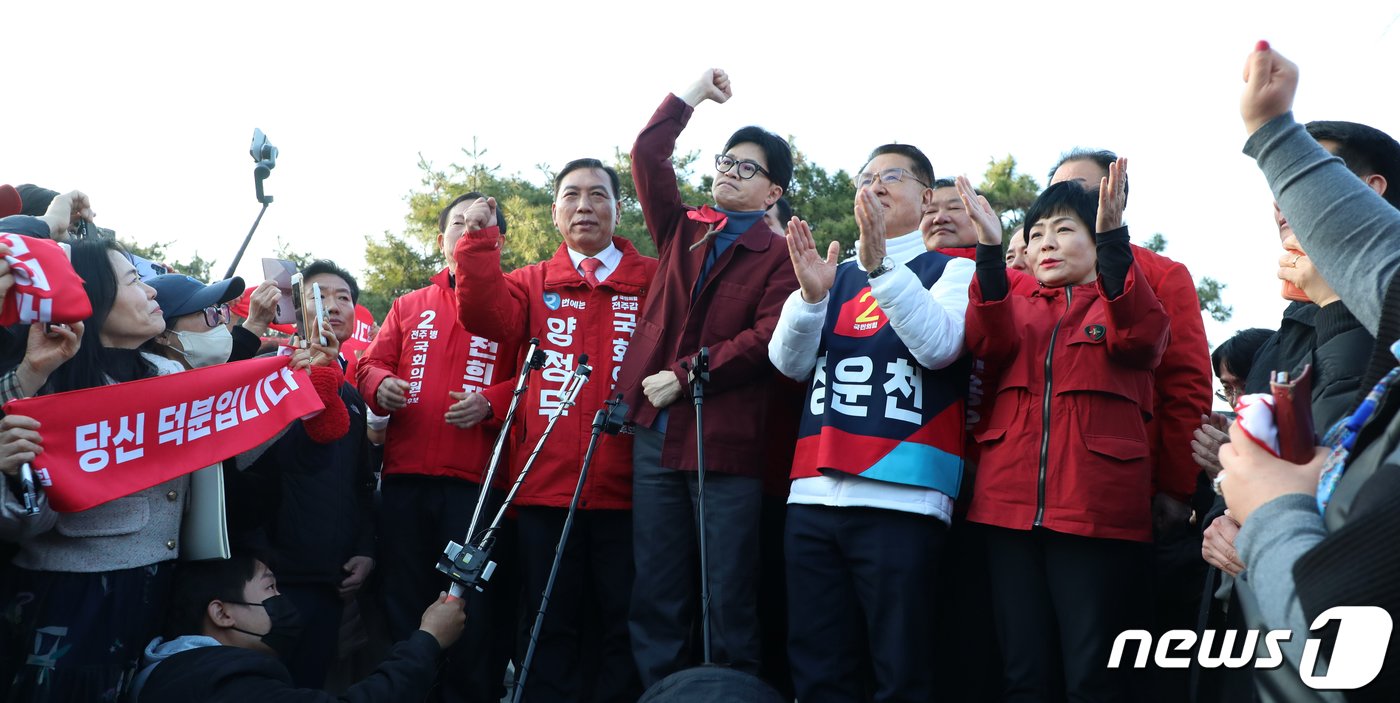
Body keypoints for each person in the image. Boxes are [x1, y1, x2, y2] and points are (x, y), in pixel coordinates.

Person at [1213, 42, 1400, 702]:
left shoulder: (1358, 322)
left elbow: (1340, 639)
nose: (1284, 209)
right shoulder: (1295, 332)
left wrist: (1270, 510)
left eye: (1316, 182)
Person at [768, 143, 973, 701]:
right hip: (813, 494)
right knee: (816, 666)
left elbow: (940, 347)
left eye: (893, 176)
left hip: (903, 497)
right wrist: (811, 300)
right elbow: (787, 365)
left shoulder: (953, 269)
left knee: (901, 668)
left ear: (927, 197)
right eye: (867, 176)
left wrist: (881, 266)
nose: (876, 184)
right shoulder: (828, 270)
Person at [961, 164, 1169, 701]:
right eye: (1035, 236)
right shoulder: (1016, 307)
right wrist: (988, 249)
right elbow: (987, 340)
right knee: (1023, 670)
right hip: (1007, 510)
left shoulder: (1123, 301)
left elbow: (1143, 338)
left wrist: (1114, 238)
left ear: (1098, 242)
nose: (1046, 244)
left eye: (1064, 230)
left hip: (1095, 512)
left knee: (1093, 673)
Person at [453, 161, 657, 702]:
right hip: (546, 489)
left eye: (598, 195)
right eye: (571, 195)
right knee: (548, 625)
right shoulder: (530, 282)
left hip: (632, 490)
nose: (584, 206)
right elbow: (482, 313)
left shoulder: (654, 280)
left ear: (619, 207)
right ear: (554, 212)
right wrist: (477, 243)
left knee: (622, 623)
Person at [621, 67, 799, 685]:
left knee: (727, 592)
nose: (729, 170)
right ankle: (661, 694)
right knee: (657, 588)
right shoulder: (684, 230)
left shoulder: (781, 257)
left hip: (724, 443)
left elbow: (767, 338)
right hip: (653, 433)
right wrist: (693, 95)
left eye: (748, 167)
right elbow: (648, 153)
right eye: (727, 160)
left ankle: (731, 693)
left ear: (774, 191)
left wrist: (688, 372)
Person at [0, 238, 191, 701]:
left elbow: (230, 451)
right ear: (92, 299)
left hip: (160, 586)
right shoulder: (43, 388)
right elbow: (24, 523)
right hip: (71, 600)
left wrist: (296, 385)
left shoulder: (170, 374)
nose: (152, 292)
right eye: (134, 281)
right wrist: (13, 473)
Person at [356, 193, 519, 703]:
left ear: (498, 239)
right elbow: (366, 364)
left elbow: (538, 380)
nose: (467, 233)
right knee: (403, 600)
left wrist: (490, 402)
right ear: (441, 239)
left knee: (471, 608)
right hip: (404, 479)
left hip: (475, 485)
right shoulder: (408, 305)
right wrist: (379, 383)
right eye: (458, 225)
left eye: (480, 225)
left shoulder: (515, 301)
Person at [238, 260, 374, 689]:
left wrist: (366, 548)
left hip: (330, 582)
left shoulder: (351, 395)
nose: (333, 306)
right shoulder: (266, 378)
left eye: (344, 298)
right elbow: (247, 476)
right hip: (268, 582)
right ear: (296, 306)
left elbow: (361, 483)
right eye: (320, 295)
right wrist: (256, 557)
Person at [128, 555, 465, 702]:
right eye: (270, 589)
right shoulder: (225, 685)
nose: (282, 601)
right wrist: (428, 639)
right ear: (221, 613)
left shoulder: (177, 669)